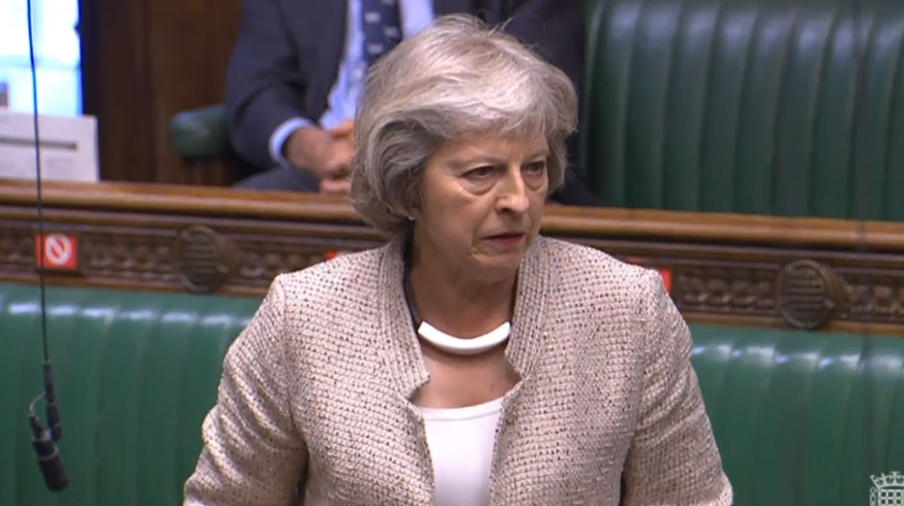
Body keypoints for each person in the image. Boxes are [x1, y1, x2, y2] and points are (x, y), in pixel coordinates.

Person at [185, 16, 731, 505]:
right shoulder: (305, 318)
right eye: (482, 174)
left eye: (534, 168)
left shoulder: (624, 310)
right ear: (408, 182)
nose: (518, 199)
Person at [225, 0, 595, 204]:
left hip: (475, 167)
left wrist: (401, 152)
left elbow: (538, 89)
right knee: (217, 230)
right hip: (328, 176)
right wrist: (314, 149)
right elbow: (256, 91)